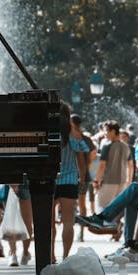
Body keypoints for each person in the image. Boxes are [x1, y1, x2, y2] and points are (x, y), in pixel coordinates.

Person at [51, 103, 89, 262]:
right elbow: (81, 162)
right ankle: (66, 256)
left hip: (49, 181)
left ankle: (51, 255)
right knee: (68, 222)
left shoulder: (48, 132)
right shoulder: (75, 135)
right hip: (69, 181)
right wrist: (82, 180)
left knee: (49, 223)